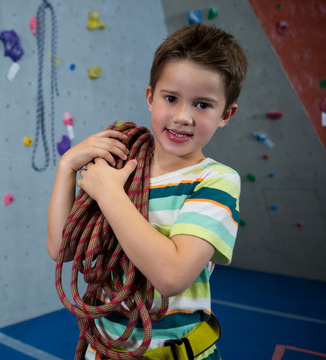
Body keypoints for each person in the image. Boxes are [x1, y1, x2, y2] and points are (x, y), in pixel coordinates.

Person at [47, 24, 248, 360]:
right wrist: (66, 167)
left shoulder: (216, 180)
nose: (183, 117)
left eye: (202, 105)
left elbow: (171, 275)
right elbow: (61, 248)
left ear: (226, 114)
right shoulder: (121, 165)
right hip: (102, 350)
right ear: (150, 97)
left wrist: (109, 192)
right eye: (171, 98)